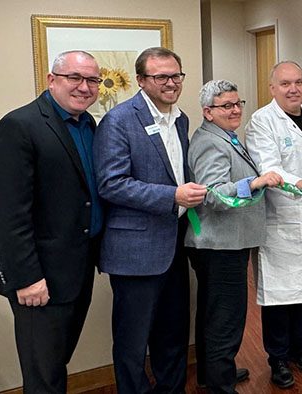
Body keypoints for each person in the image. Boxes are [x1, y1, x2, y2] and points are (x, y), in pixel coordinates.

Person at [0, 51, 102, 393]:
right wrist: (27, 279)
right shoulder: (19, 125)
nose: (84, 87)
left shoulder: (87, 125)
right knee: (43, 376)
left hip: (76, 269)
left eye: (92, 80)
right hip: (38, 278)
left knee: (57, 362)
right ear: (52, 80)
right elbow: (7, 213)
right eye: (74, 78)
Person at [93, 47, 207, 393]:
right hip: (135, 251)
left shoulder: (181, 118)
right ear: (141, 81)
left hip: (174, 243)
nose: (171, 83)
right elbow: (111, 184)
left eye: (176, 75)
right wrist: (171, 197)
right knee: (132, 341)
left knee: (172, 331)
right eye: (161, 77)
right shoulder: (119, 120)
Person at [185, 80, 282, 393]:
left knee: (214, 314)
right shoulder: (210, 143)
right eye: (226, 106)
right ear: (208, 112)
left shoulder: (225, 137)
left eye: (238, 103)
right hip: (220, 244)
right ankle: (220, 384)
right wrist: (255, 183)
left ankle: (211, 374)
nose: (236, 109)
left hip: (225, 242)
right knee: (225, 319)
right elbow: (212, 195)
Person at [246, 61, 302, 388]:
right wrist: (298, 181)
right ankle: (277, 357)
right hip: (279, 220)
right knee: (279, 294)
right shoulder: (261, 121)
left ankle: (300, 346)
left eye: (298, 81)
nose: (293, 88)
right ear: (273, 88)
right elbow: (268, 168)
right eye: (285, 83)